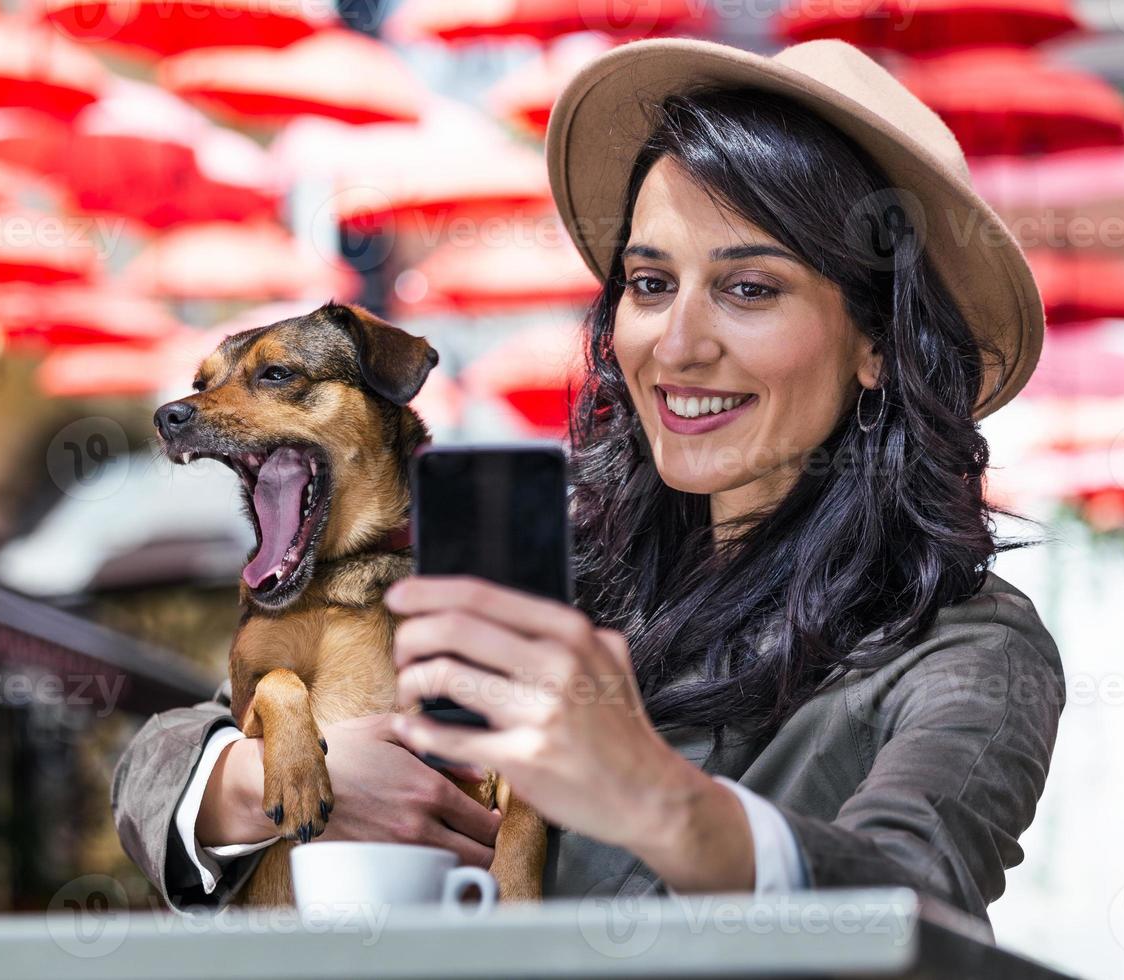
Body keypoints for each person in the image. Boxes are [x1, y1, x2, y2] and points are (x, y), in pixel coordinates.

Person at [111, 37, 1063, 927]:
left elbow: (914, 894)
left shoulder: (966, 645)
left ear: (876, 345)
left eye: (750, 288)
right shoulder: (556, 570)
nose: (678, 346)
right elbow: (162, 760)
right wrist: (271, 780)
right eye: (650, 285)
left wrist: (662, 802)